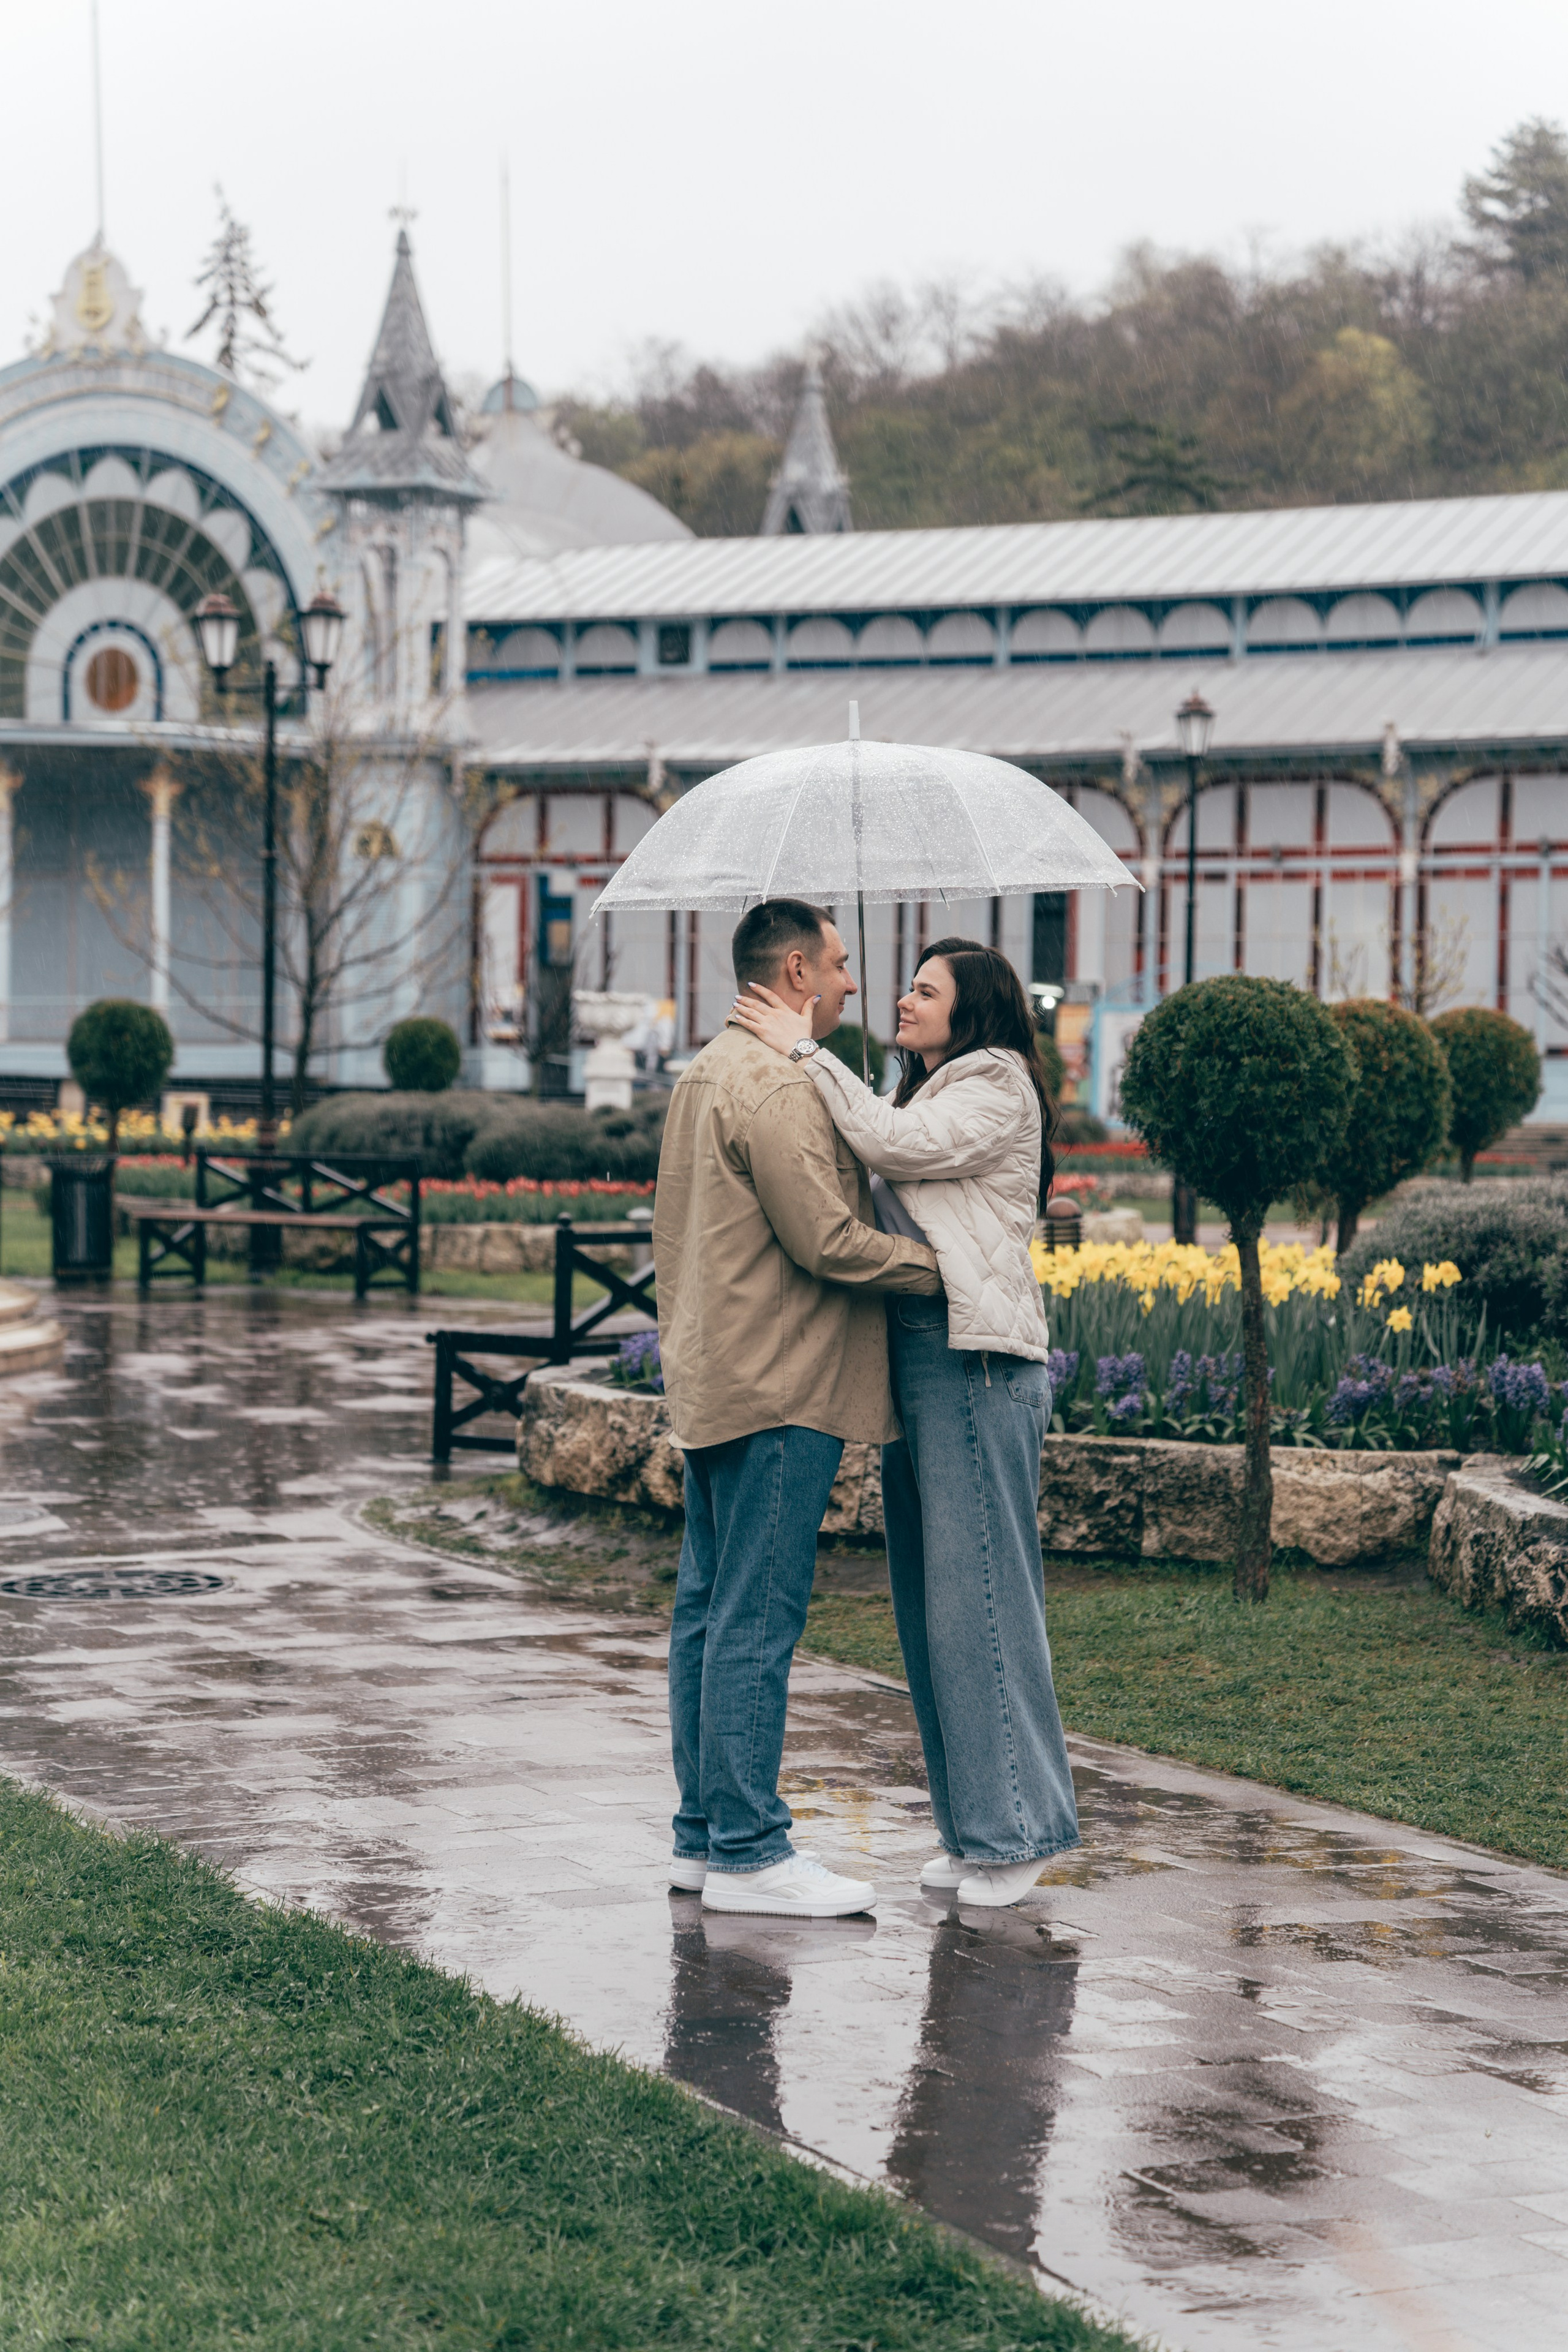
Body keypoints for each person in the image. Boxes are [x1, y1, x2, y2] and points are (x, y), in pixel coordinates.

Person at [731, 937, 1080, 1909]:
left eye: (927, 990)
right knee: (935, 1611)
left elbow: (896, 1150)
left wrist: (807, 1053)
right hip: (924, 1357)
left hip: (976, 1359)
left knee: (983, 1604)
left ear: (973, 1012)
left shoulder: (997, 1082)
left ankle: (1019, 1833)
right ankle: (977, 1831)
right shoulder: (924, 1087)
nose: (904, 998)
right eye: (906, 984)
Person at [654, 897, 942, 1918]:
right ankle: (748, 1851)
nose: (855, 983)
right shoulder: (773, 1089)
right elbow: (827, 1240)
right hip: (779, 1387)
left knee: (707, 1611)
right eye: (840, 963)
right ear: (794, 973)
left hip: (716, 1376)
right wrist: (944, 1266)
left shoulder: (705, 1073)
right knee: (755, 1619)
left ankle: (701, 1836)